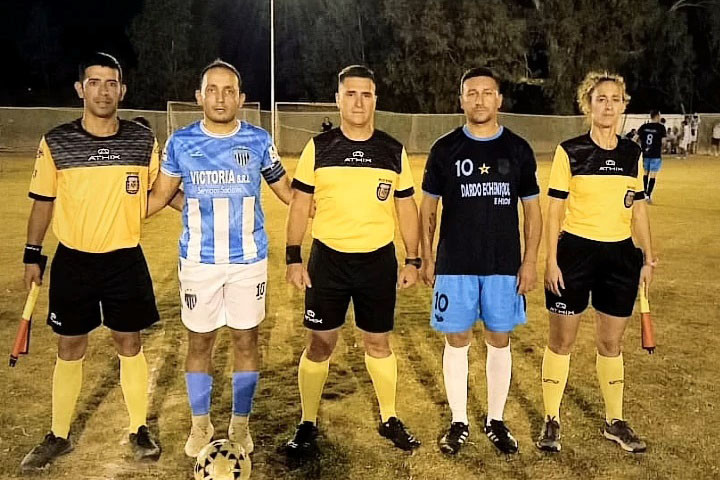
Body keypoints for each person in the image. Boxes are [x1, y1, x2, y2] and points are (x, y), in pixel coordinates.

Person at [20, 52, 162, 471]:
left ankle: (138, 428)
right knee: (69, 345)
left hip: (125, 260)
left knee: (129, 342)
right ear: (80, 89)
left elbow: (162, 190)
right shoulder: (56, 142)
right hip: (74, 261)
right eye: (95, 82)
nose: (103, 91)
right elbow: (43, 202)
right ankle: (58, 433)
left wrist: (198, 204)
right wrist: (32, 254)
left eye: (111, 83)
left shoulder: (141, 141)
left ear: (122, 90)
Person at [146, 59, 292, 457]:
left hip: (248, 261)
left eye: (229, 91)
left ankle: (240, 425)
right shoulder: (180, 142)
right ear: (199, 97)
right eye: (212, 90)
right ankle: (200, 425)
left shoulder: (259, 140)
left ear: (241, 98)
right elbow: (160, 196)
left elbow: (288, 192)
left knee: (246, 340)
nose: (221, 98)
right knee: (199, 343)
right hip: (199, 262)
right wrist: (114, 213)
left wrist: (332, 205)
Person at [284, 65, 422, 457]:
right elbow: (300, 204)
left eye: (366, 94)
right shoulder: (319, 148)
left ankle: (389, 417)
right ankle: (307, 422)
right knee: (320, 343)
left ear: (375, 100)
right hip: (328, 261)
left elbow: (406, 206)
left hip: (377, 262)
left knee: (378, 342)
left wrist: (412, 259)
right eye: (351, 94)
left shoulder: (392, 150)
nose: (358, 102)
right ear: (338, 99)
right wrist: (293, 257)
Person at [419, 67, 542, 455]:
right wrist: (426, 257)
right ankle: (459, 421)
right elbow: (428, 209)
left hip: (503, 264)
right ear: (461, 100)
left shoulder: (518, 149)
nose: (479, 100)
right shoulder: (445, 149)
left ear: (499, 99)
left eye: (487, 92)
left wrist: (529, 262)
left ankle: (496, 420)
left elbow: (533, 213)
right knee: (457, 339)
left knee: (499, 339)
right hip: (455, 264)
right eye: (471, 93)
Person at [538, 71, 655, 454]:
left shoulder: (632, 154)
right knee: (562, 341)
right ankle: (551, 419)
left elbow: (639, 208)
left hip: (620, 257)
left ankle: (614, 421)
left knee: (610, 342)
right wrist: (551, 261)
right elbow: (554, 210)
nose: (608, 106)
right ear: (588, 105)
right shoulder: (570, 151)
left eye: (615, 99)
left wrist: (648, 256)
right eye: (600, 99)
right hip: (575, 254)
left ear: (624, 105)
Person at [636, 110, 666, 203]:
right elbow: (664, 141)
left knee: (645, 174)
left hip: (645, 154)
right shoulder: (661, 127)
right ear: (657, 116)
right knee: (653, 175)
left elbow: (635, 138)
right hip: (655, 154)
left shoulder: (644, 126)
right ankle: (648, 195)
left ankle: (644, 192)